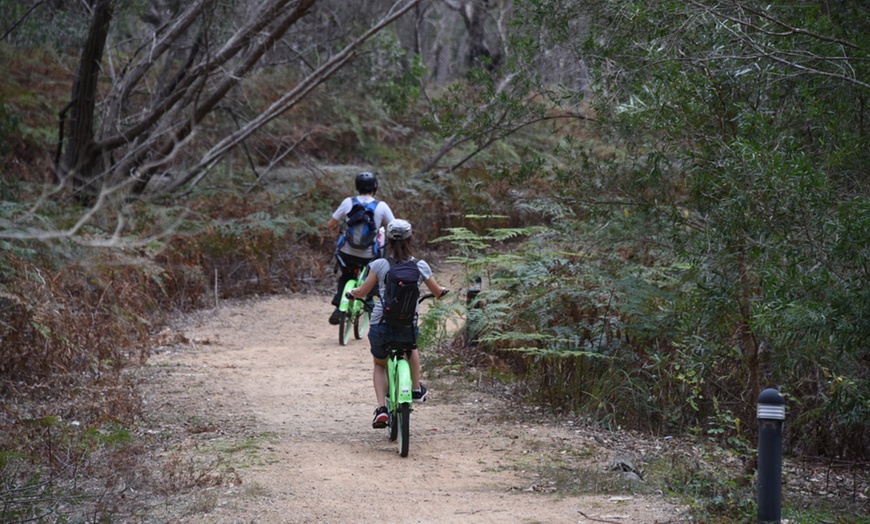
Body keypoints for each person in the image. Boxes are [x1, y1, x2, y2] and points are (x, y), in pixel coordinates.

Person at [348, 219, 448, 429]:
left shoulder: (379, 264)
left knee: (379, 364)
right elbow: (437, 292)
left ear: (389, 241)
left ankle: (381, 408)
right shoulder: (420, 266)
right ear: (411, 239)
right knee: (411, 347)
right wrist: (441, 292)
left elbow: (363, 292)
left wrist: (352, 294)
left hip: (380, 325)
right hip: (407, 325)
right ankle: (415, 389)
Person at [325, 172, 394, 325]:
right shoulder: (381, 206)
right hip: (369, 255)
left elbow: (331, 224)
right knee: (374, 272)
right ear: (375, 187)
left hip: (347, 253)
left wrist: (338, 231)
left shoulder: (348, 202)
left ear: (357, 186)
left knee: (346, 276)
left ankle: (338, 307)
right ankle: (369, 301)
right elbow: (394, 227)